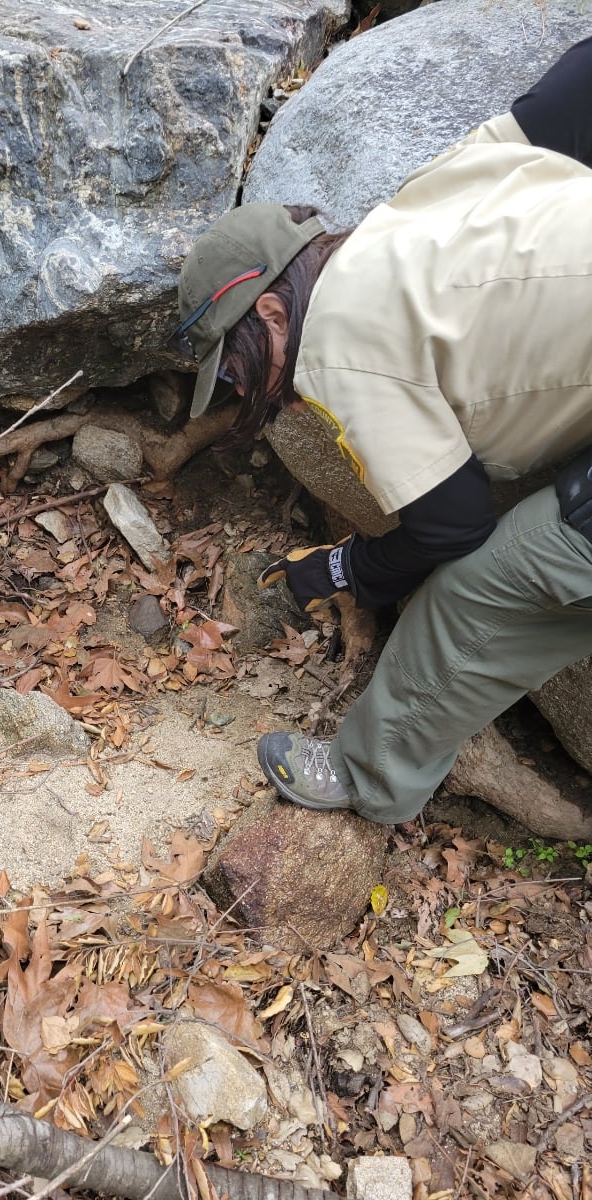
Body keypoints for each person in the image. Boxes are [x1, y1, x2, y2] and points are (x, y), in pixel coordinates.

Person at [168, 36, 592, 825]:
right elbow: (568, 94)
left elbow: (451, 527)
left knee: (475, 598)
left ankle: (367, 776)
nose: (237, 391)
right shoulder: (420, 199)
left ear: (269, 311)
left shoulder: (337, 348)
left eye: (231, 369)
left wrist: (339, 571)